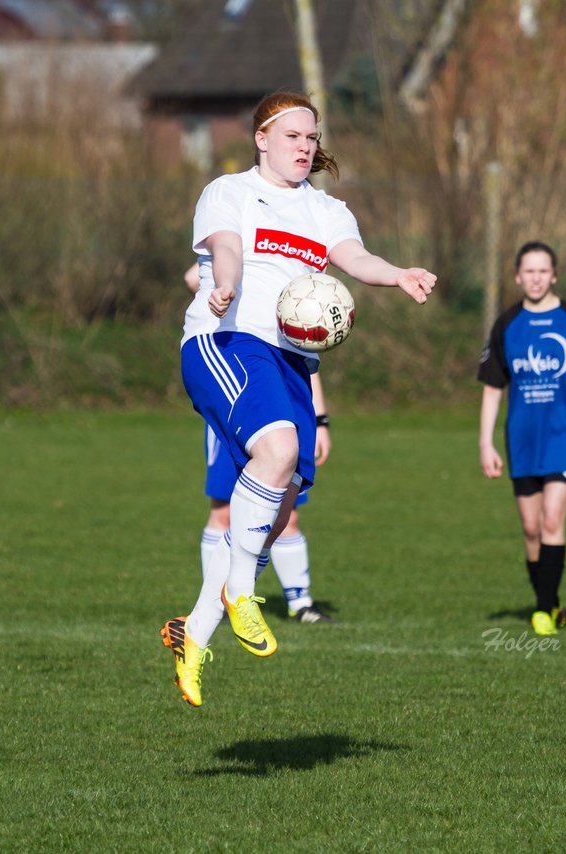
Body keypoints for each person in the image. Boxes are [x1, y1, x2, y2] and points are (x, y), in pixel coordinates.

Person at [161, 90, 437, 707]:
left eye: (311, 138)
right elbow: (227, 245)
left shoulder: (327, 209)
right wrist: (226, 281)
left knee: (278, 510)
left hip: (290, 364)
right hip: (226, 339)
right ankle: (239, 592)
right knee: (279, 449)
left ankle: (194, 633)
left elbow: (351, 257)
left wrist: (395, 275)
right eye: (292, 136)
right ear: (262, 138)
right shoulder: (226, 191)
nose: (305, 147)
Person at [186, 262, 335, 624]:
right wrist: (228, 281)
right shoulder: (240, 239)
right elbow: (193, 277)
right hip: (239, 396)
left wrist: (320, 419)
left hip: (284, 398)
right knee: (222, 509)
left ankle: (299, 602)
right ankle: (216, 603)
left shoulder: (300, 276)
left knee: (285, 511)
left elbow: (307, 361)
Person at [477, 241, 566, 637]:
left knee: (553, 518)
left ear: (554, 275)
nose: (536, 278)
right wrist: (486, 442)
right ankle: (551, 602)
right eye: (528, 271)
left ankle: (540, 611)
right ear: (518, 276)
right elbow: (492, 387)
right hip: (523, 440)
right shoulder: (507, 324)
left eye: (543, 271)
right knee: (531, 528)